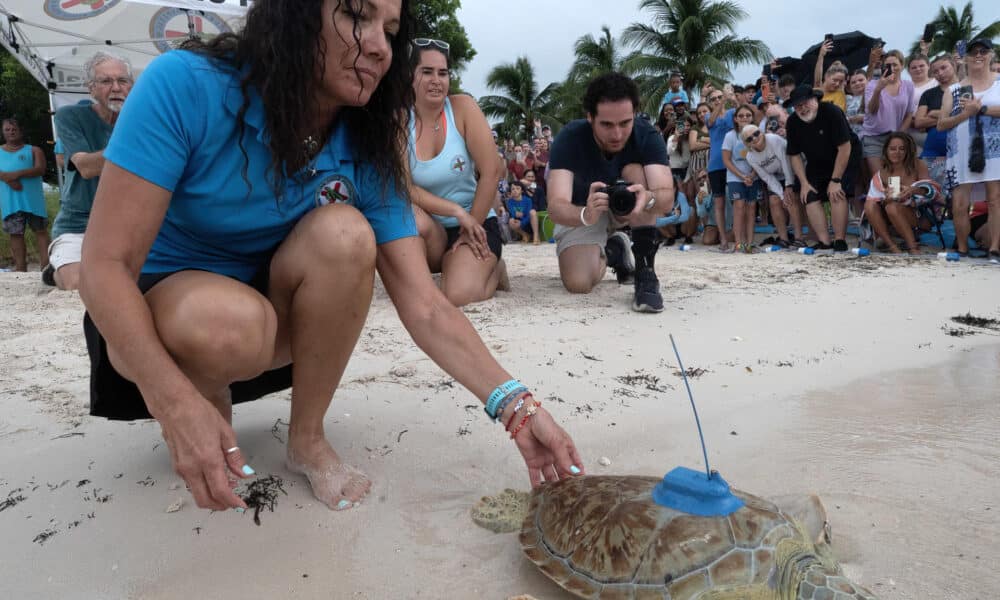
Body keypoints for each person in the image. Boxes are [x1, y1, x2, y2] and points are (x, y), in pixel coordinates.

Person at [77, 0, 583, 513]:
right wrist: (173, 403)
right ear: (293, 16)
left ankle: (307, 439)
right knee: (229, 324)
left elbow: (425, 304)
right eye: (357, 17)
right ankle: (200, 399)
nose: (380, 46)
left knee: (346, 233)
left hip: (273, 313)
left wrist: (518, 407)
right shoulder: (185, 85)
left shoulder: (366, 139)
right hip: (152, 320)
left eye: (390, 30)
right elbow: (103, 268)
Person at [547, 72, 674, 312]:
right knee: (578, 283)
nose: (617, 134)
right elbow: (555, 205)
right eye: (606, 124)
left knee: (636, 172)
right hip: (584, 210)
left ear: (635, 114)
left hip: (632, 208)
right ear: (590, 117)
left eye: (625, 123)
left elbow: (666, 198)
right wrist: (586, 214)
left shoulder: (646, 134)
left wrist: (648, 198)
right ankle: (614, 250)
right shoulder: (569, 138)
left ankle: (646, 271)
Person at [408, 39, 506, 306]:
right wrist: (455, 212)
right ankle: (453, 266)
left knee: (458, 295)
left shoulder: (462, 108)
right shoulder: (398, 122)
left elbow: (491, 171)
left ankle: (495, 270)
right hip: (433, 230)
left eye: (443, 73)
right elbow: (405, 187)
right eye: (426, 72)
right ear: (410, 76)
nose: (436, 80)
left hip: (477, 219)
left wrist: (470, 223)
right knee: (408, 216)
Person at [45, 52, 134, 289]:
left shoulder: (143, 119)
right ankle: (54, 273)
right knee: (76, 284)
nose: (116, 87)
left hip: (129, 227)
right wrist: (141, 144)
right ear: (91, 89)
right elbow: (85, 167)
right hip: (78, 224)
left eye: (122, 81)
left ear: (131, 87)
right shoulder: (70, 116)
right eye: (106, 81)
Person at [938, 38, 1000, 257]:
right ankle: (962, 248)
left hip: (995, 149)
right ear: (966, 57)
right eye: (974, 52)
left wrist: (980, 109)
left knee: (995, 198)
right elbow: (941, 123)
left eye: (984, 51)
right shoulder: (955, 89)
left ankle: (995, 248)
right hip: (961, 150)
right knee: (960, 201)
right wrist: (966, 114)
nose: (978, 56)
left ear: (991, 55)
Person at [785, 84, 857, 252]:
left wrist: (836, 179)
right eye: (797, 106)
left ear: (815, 99)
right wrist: (803, 182)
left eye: (805, 103)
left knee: (836, 193)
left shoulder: (831, 112)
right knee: (809, 195)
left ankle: (840, 240)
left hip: (844, 156)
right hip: (815, 160)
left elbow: (845, 147)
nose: (802, 108)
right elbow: (794, 155)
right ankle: (824, 241)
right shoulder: (792, 122)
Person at [862, 132, 931, 254]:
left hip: (919, 215)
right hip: (891, 216)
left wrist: (912, 191)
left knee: (892, 207)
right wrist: (887, 198)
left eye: (902, 149)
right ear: (886, 151)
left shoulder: (918, 165)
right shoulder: (883, 172)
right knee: (871, 205)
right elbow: (876, 199)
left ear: (907, 151)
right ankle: (893, 247)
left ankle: (913, 247)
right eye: (892, 149)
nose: (897, 153)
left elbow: (930, 191)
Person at [0, 118, 50, 272]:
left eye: (14, 129)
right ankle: (21, 268)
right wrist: (9, 180)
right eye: (7, 129)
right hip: (10, 201)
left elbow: (40, 169)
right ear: (3, 132)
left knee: (40, 231)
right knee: (15, 234)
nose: (11, 132)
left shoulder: (34, 150)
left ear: (21, 131)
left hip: (33, 201)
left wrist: (17, 174)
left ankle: (46, 266)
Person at [744, 124, 802, 248]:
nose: (754, 138)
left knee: (790, 198)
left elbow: (786, 162)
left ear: (761, 132)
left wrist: (788, 186)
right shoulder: (750, 156)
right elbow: (766, 177)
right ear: (746, 143)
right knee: (774, 200)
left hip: (793, 169)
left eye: (756, 133)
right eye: (749, 139)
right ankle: (784, 238)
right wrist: (782, 195)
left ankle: (799, 238)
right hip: (775, 176)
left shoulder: (773, 140)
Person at [861, 50, 916, 178]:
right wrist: (878, 89)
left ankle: (893, 198)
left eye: (895, 64)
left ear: (902, 66)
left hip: (895, 137)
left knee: (894, 177)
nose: (892, 68)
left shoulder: (908, 86)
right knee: (880, 179)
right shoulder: (872, 85)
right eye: (888, 65)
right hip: (874, 137)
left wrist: (899, 134)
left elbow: (909, 113)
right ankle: (883, 197)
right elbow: (871, 110)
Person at [914, 55, 959, 196]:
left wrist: (934, 113)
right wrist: (950, 116)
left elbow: (968, 113)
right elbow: (919, 122)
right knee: (930, 193)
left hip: (959, 148)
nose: (940, 73)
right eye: (935, 71)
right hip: (933, 148)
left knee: (958, 193)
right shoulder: (929, 94)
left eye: (944, 67)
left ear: (954, 66)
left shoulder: (965, 88)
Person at [721, 105, 759, 253]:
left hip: (753, 176)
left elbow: (761, 156)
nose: (744, 118)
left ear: (752, 117)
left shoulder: (757, 134)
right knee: (739, 207)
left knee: (751, 209)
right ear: (735, 119)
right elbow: (727, 160)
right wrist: (742, 176)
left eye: (748, 115)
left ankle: (749, 244)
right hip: (735, 177)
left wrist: (753, 174)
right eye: (741, 115)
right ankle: (738, 244)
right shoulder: (730, 136)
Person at [705, 88, 736, 250]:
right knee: (719, 202)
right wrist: (724, 100)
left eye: (719, 97)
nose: (717, 100)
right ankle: (723, 240)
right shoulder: (708, 116)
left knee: (738, 201)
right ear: (709, 102)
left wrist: (733, 99)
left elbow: (745, 115)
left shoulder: (732, 113)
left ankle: (740, 238)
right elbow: (711, 123)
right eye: (714, 98)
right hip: (716, 165)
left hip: (734, 162)